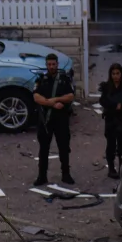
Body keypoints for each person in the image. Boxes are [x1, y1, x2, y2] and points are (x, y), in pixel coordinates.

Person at [34, 53, 76, 188]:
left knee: (64, 148)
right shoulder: (42, 79)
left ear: (57, 64)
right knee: (44, 149)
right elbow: (36, 97)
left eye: (53, 64)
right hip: (45, 120)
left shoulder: (64, 79)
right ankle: (42, 176)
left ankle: (66, 174)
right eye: (49, 64)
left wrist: (56, 99)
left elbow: (70, 96)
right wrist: (51, 103)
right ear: (46, 65)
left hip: (61, 119)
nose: (51, 67)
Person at [99, 63, 122, 181]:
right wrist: (115, 106)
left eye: (118, 73)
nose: (116, 76)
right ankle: (111, 168)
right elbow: (103, 101)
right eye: (113, 74)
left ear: (121, 74)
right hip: (111, 120)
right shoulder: (107, 87)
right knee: (111, 145)